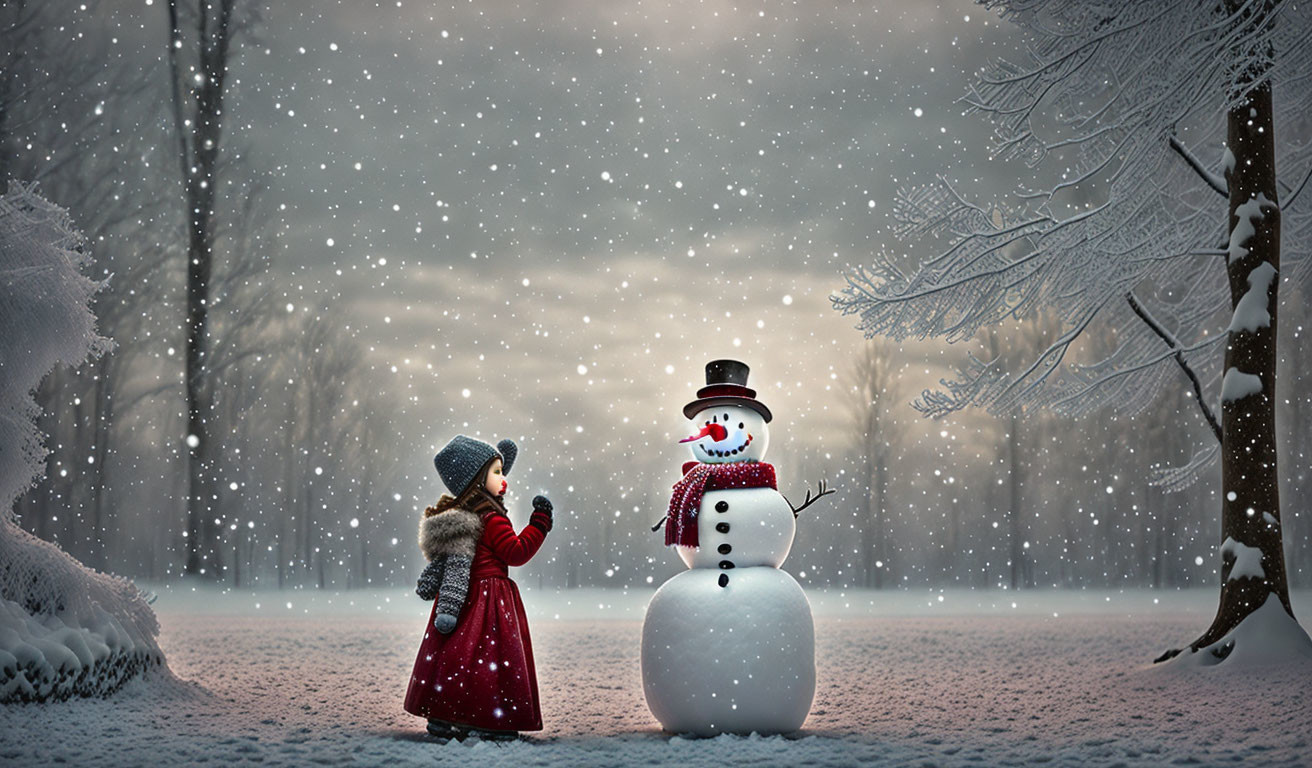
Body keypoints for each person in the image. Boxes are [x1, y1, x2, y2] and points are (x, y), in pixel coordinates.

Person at [404, 435, 554, 740]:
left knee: (458, 656)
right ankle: (488, 718)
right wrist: (540, 522)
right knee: (491, 659)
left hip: (465, 598)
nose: (504, 479)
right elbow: (516, 552)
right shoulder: (492, 518)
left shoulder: (468, 517)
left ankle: (446, 714)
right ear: (476, 479)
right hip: (490, 599)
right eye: (497, 471)